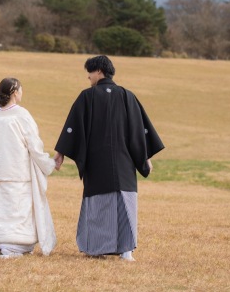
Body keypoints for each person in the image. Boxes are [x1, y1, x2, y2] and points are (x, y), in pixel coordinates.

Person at [54, 55, 164, 261]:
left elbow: (73, 128)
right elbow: (140, 132)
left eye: (89, 72)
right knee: (125, 204)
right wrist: (145, 157)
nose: (88, 77)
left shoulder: (87, 97)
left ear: (98, 71)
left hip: (97, 162)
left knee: (99, 204)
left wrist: (60, 153)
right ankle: (126, 251)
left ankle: (96, 248)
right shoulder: (127, 96)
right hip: (125, 163)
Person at [0, 77, 58, 258]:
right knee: (19, 208)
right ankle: (13, 245)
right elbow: (34, 145)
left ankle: (5, 243)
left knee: (2, 208)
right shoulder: (21, 114)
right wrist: (48, 163)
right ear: (14, 92)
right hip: (19, 171)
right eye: (20, 89)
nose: (22, 92)